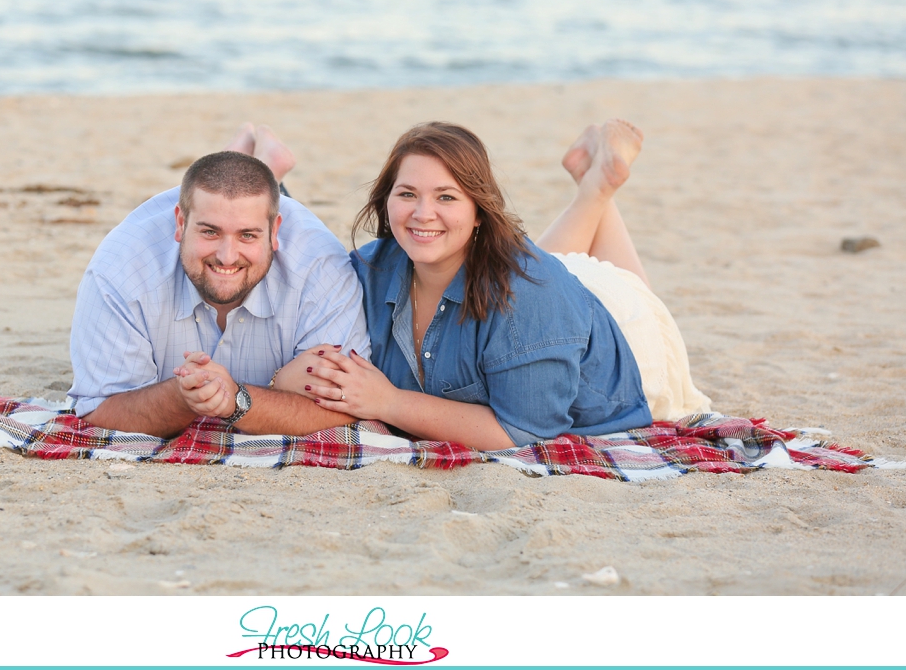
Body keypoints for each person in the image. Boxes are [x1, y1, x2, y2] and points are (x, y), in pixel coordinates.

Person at [297, 120, 712, 450]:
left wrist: (388, 402)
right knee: (537, 268)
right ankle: (593, 183)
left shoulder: (532, 295)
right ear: (386, 201)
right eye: (407, 193)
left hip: (630, 334)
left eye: (446, 197)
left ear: (479, 210)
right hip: (539, 289)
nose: (422, 213)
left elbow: (520, 432)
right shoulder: (372, 268)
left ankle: (598, 187)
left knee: (600, 286)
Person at [69, 124, 370, 436]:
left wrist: (236, 401)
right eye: (209, 232)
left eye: (248, 235)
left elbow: (346, 406)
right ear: (180, 224)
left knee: (235, 194)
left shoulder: (320, 266)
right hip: (179, 225)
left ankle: (262, 169)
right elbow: (99, 408)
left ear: (275, 232)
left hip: (277, 230)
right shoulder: (120, 269)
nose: (227, 256)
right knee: (221, 193)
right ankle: (248, 166)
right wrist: (183, 397)